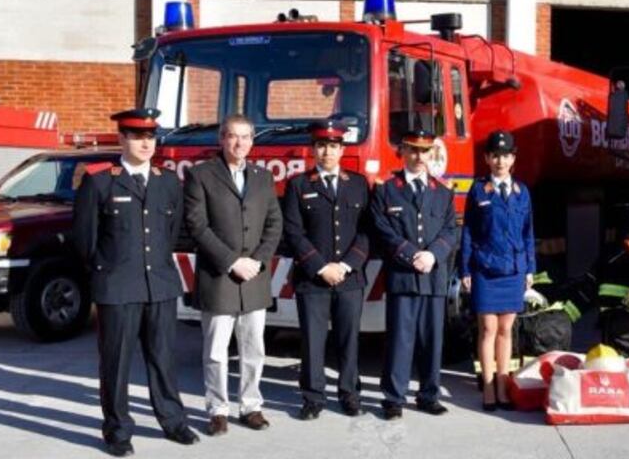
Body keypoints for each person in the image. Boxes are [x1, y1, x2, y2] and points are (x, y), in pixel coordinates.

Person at [73, 108, 199, 457]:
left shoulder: (168, 181)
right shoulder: (100, 181)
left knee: (163, 359)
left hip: (160, 284)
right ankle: (117, 431)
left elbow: (172, 233)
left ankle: (173, 421)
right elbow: (85, 240)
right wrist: (108, 271)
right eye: (137, 136)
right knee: (116, 363)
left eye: (150, 137)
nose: (146, 143)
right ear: (122, 139)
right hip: (117, 287)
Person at [183, 114, 282, 435]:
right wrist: (231, 261)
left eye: (245, 137)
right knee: (215, 351)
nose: (239, 143)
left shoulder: (263, 177)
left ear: (252, 141)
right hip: (219, 276)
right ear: (221, 139)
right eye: (233, 136)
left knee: (254, 349)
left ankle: (251, 406)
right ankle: (218, 410)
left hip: (254, 276)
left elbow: (274, 223)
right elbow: (197, 225)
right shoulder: (200, 175)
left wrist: (258, 261)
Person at [282, 120, 370, 420]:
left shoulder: (358, 184)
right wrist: (320, 267)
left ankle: (349, 394)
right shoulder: (298, 185)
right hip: (312, 279)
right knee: (312, 340)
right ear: (313, 149)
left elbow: (367, 232)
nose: (327, 152)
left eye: (333, 146)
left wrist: (345, 265)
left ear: (342, 150)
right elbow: (293, 232)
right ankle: (312, 397)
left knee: (349, 339)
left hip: (349, 277)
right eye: (321, 146)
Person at [371, 130, 458, 420]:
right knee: (400, 339)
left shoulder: (443, 191)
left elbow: (451, 229)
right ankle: (393, 398)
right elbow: (382, 228)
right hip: (403, 275)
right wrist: (411, 255)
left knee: (432, 340)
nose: (419, 157)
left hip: (433, 275)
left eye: (425, 151)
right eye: (413, 150)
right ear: (403, 152)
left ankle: (429, 395)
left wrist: (433, 255)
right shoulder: (386, 189)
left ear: (432, 153)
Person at [460, 130, 535, 411]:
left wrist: (530, 268)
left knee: (506, 329)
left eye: (505, 156)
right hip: (485, 268)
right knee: (488, 328)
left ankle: (504, 384)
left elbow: (528, 233)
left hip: (513, 269)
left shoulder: (522, 192)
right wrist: (465, 269)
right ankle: (489, 385)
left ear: (513, 158)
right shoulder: (479, 190)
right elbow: (468, 231)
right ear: (487, 159)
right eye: (495, 156)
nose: (500, 161)